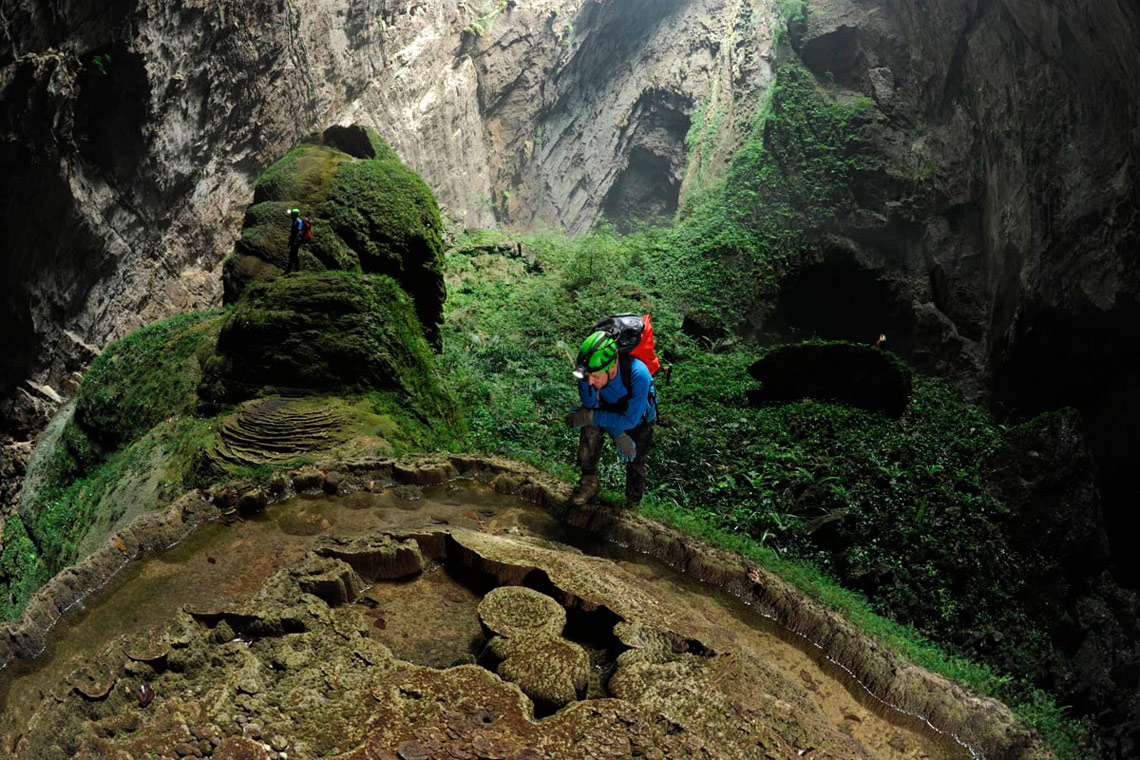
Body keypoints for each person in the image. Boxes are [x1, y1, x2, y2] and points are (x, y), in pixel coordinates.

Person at [565, 330, 657, 507]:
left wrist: (619, 433)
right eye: (587, 377)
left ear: (612, 366)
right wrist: (617, 433)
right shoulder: (587, 373)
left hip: (639, 419)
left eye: (596, 377)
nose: (589, 382)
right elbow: (591, 408)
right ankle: (588, 482)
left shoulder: (639, 374)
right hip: (608, 408)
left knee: (636, 459)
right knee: (589, 425)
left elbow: (630, 420)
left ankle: (633, 502)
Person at [285, 208, 304, 273]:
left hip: (296, 241)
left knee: (293, 254)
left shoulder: (299, 222)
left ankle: (294, 269)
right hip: (294, 240)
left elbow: (299, 231)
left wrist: (295, 241)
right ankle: (294, 269)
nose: (291, 216)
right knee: (293, 254)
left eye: (292, 215)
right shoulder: (295, 221)